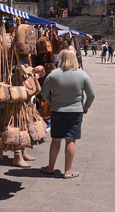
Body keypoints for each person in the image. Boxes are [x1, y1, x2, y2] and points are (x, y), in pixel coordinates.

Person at [39, 50, 95, 179]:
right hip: (75, 111)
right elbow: (91, 95)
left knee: (56, 140)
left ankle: (50, 168)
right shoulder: (82, 74)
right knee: (70, 140)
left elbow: (43, 93)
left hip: (57, 111)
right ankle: (68, 172)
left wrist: (52, 102)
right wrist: (86, 106)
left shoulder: (54, 74)